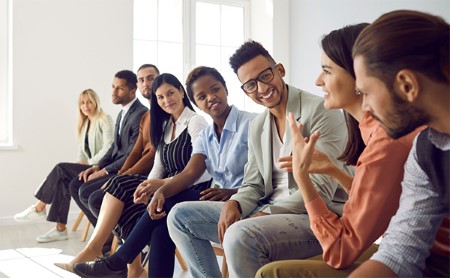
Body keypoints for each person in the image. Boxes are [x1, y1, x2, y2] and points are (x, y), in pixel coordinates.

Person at [167, 40, 350, 277]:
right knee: (179, 217)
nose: (262, 88)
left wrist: (264, 215)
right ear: (245, 90)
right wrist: (236, 203)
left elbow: (321, 191)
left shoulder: (321, 112)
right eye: (251, 85)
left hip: (315, 217)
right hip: (265, 211)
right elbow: (253, 183)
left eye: (265, 76)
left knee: (239, 235)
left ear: (280, 70)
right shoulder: (259, 125)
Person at [256, 23, 422, 277]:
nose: (318, 81)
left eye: (327, 71)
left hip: (423, 262)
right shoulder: (377, 130)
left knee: (271, 273)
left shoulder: (385, 142)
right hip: (404, 248)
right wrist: (333, 170)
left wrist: (302, 178)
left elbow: (340, 251)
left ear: (361, 77)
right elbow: (384, 200)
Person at [73, 73, 211, 278]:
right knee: (157, 230)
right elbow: (158, 166)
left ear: (181, 91)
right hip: (167, 192)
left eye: (171, 93)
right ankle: (125, 263)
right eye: (160, 97)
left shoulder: (195, 122)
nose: (167, 101)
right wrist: (144, 188)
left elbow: (200, 172)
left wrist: (161, 186)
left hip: (192, 190)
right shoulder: (165, 127)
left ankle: (118, 260)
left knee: (129, 190)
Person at [348, 10, 449, 277]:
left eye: (367, 92)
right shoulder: (425, 152)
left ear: (406, 85)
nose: (365, 108)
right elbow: (400, 252)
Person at [54, 64, 159, 274]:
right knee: (78, 185)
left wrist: (114, 174)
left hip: (148, 176)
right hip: (130, 172)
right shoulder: (137, 116)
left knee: (91, 194)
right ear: (137, 85)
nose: (146, 83)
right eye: (142, 79)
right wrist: (100, 168)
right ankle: (110, 247)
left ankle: (106, 247)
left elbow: (148, 154)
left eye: (151, 78)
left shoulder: (146, 113)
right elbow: (134, 151)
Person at [14, 89, 114, 243]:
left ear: (96, 102)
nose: (85, 105)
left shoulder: (104, 119)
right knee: (63, 180)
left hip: (100, 168)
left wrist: (90, 162)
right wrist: (80, 163)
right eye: (82, 102)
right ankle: (60, 229)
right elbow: (81, 153)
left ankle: (39, 207)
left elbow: (109, 147)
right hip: (89, 166)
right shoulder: (84, 123)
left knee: (60, 168)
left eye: (89, 101)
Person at [68, 70, 148, 228]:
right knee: (75, 185)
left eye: (120, 88)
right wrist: (98, 166)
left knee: (86, 192)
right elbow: (114, 147)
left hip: (127, 169)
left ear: (133, 91)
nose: (113, 92)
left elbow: (131, 154)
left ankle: (114, 236)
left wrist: (103, 171)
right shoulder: (122, 113)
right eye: (113, 87)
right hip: (113, 166)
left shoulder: (140, 113)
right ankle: (106, 239)